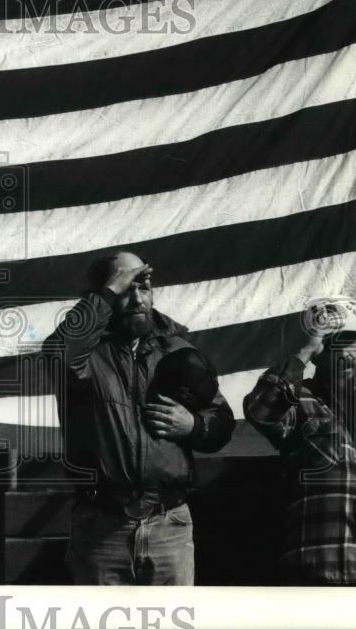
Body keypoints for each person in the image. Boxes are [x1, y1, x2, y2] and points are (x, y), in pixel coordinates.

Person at [43, 250, 235, 585]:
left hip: (169, 526)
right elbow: (60, 352)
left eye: (143, 287)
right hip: (102, 527)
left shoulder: (177, 350)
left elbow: (221, 420)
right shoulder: (87, 356)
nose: (137, 298)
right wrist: (108, 290)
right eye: (125, 289)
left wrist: (194, 425)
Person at [243, 296, 356, 586]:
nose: (343, 351)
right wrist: (305, 349)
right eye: (331, 342)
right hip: (313, 573)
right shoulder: (299, 402)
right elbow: (261, 410)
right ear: (318, 353)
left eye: (349, 340)